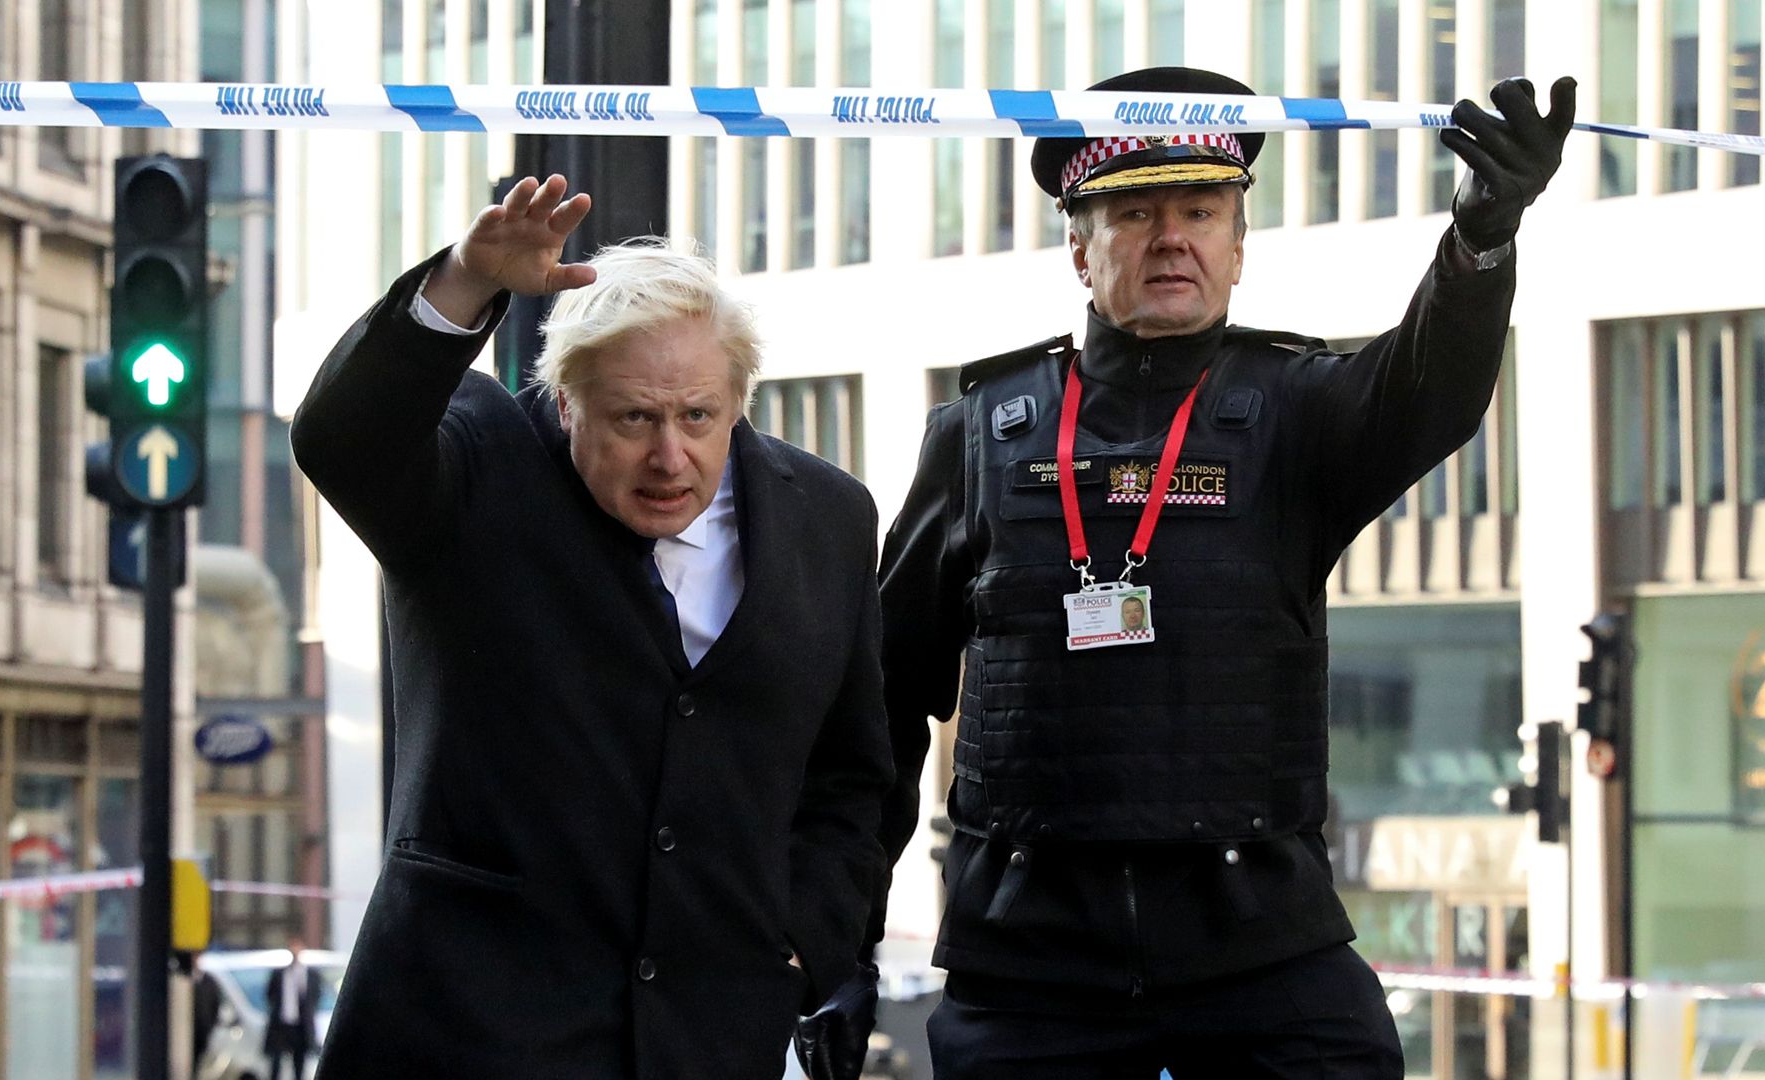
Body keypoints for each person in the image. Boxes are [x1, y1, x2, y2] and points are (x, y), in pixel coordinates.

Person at [803, 66, 1576, 1078]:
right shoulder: (980, 438)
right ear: (1080, 249)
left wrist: (1481, 233)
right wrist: (832, 946)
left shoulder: (1301, 414)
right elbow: (879, 711)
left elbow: (1428, 391)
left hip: (1257, 945)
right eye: (1136, 211)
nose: (1173, 237)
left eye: (1201, 210)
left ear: (1238, 245)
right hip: (1033, 962)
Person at [291, 175, 893, 1078]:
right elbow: (343, 437)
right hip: (468, 1039)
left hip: (707, 1041)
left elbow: (851, 781)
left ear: (738, 401)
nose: (669, 454)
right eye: (633, 419)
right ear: (566, 400)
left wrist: (801, 943)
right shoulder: (476, 469)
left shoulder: (831, 519)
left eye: (699, 416)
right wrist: (464, 279)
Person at [264, 937, 318, 1080]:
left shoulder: (309, 974)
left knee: (299, 1063)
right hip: (281, 1024)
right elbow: (270, 995)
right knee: (276, 1063)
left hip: (300, 1026)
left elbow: (314, 997)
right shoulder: (280, 973)